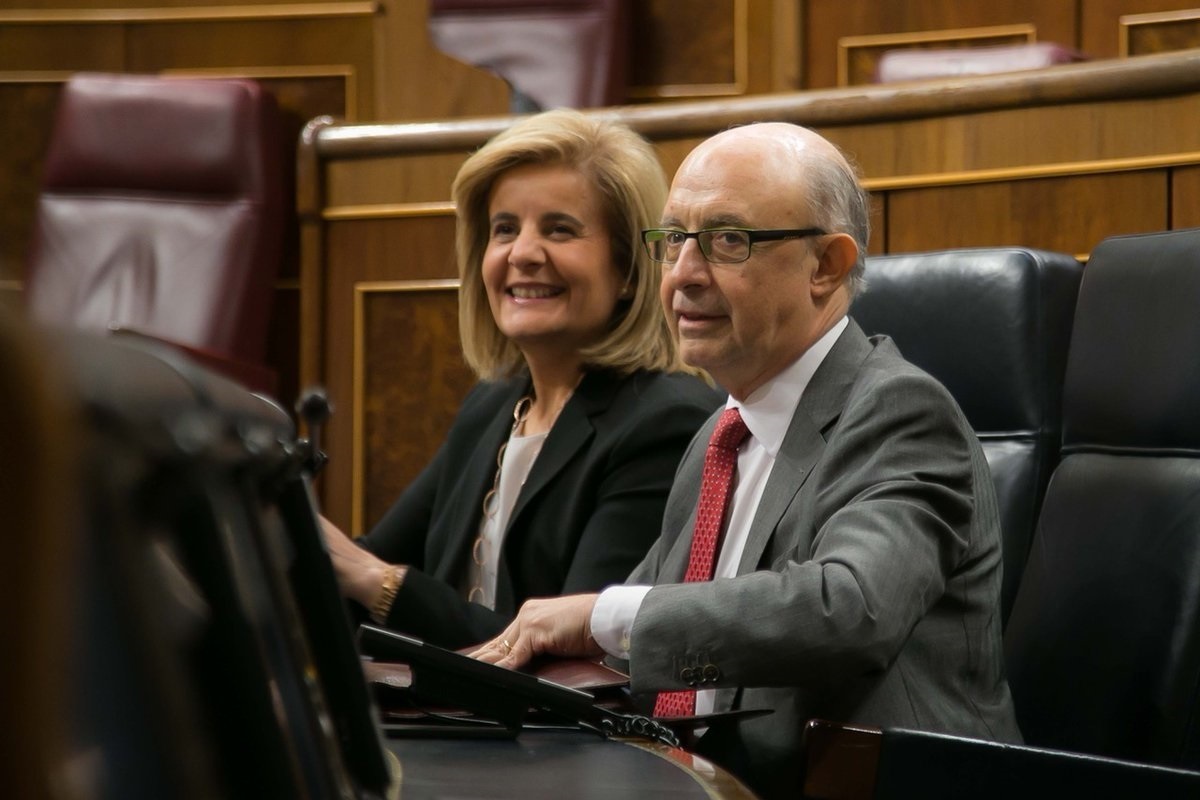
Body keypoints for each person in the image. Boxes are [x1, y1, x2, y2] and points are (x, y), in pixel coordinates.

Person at [472, 122, 1022, 798]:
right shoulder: (719, 435)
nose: (682, 275)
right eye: (673, 239)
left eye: (728, 240)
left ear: (827, 265)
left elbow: (849, 609)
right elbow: (650, 628)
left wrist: (597, 617)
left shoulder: (899, 411)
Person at [322, 109, 723, 650]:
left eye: (559, 229)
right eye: (504, 229)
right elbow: (363, 562)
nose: (523, 254)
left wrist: (380, 584)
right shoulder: (494, 404)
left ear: (628, 270)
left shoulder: (666, 422)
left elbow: (574, 653)